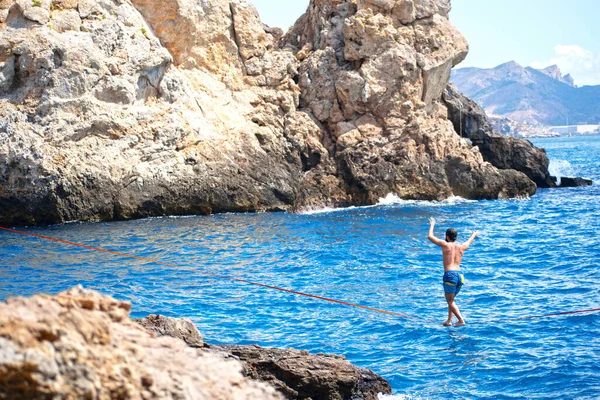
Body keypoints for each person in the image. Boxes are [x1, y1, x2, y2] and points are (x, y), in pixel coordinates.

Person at [427, 217, 479, 327]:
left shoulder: (446, 245)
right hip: (460, 275)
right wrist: (474, 234)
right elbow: (469, 242)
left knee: (450, 301)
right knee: (451, 300)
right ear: (455, 237)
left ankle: (461, 320)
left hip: (450, 275)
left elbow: (430, 237)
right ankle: (449, 320)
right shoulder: (462, 247)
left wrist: (432, 224)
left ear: (447, 236)